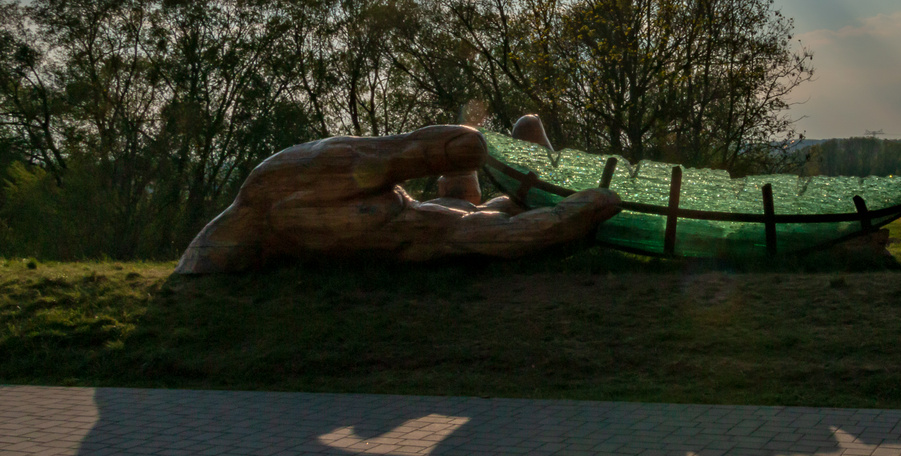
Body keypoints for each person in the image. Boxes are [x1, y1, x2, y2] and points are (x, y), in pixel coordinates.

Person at [174, 116, 619, 274]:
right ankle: (548, 201)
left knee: (522, 135)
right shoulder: (283, 193)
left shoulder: (277, 188)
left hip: (439, 215)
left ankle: (542, 197)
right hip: (448, 223)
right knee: (488, 217)